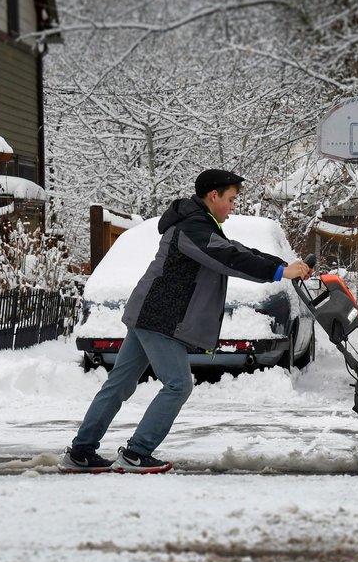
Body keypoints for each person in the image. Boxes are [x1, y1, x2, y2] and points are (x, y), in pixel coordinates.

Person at [59, 169, 312, 474]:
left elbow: (237, 249)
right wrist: (280, 273)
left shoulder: (199, 224)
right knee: (178, 384)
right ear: (213, 195)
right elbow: (228, 258)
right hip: (160, 315)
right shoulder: (192, 227)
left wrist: (282, 265)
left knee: (119, 385)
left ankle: (81, 453)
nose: (233, 205)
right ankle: (137, 453)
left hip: (150, 312)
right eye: (230, 199)